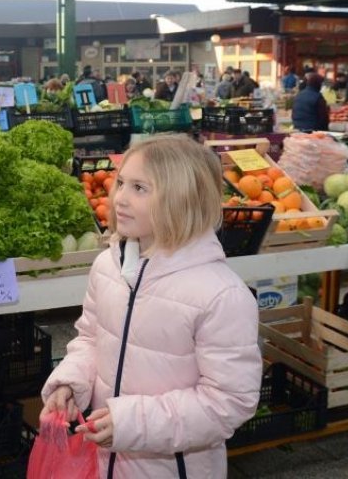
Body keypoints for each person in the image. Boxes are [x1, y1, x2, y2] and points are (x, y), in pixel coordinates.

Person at [41, 135, 262, 478]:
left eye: (140, 188)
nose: (119, 198)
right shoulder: (108, 267)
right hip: (104, 461)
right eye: (121, 183)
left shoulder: (220, 295)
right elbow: (89, 339)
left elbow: (229, 401)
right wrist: (71, 382)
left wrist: (132, 423)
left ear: (181, 200)